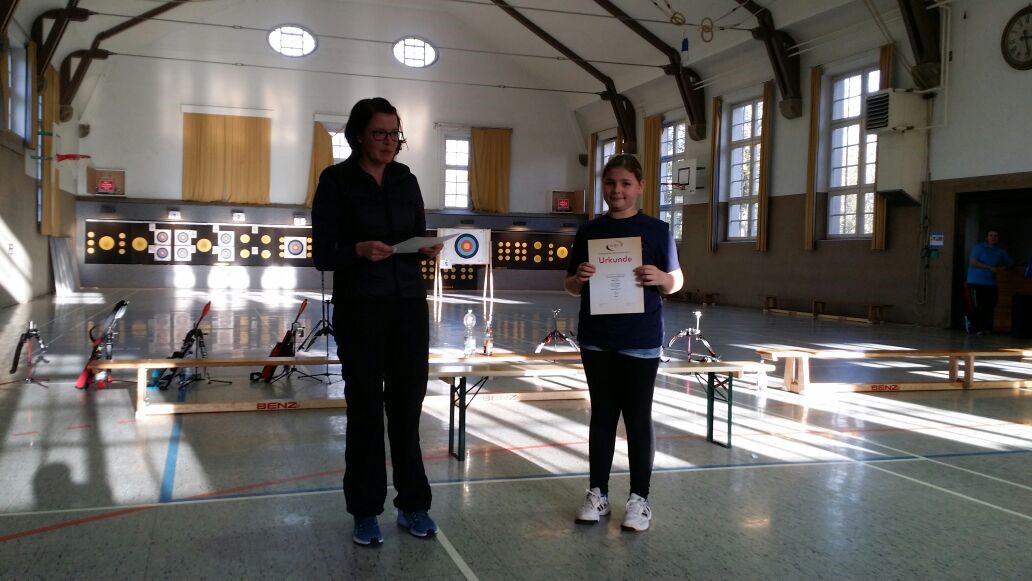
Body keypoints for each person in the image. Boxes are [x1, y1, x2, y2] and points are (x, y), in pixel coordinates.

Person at [312, 97, 443, 547]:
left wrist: (426, 247)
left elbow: (417, 234)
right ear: (358, 136)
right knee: (365, 410)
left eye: (394, 134)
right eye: (380, 134)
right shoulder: (336, 182)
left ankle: (413, 504)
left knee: (407, 409)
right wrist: (358, 251)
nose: (389, 142)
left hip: (408, 308)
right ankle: (365, 511)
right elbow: (322, 254)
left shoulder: (406, 180)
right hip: (361, 310)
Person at [564, 153, 684, 532]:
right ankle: (597, 494)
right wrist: (579, 279)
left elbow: (677, 281)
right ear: (603, 186)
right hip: (597, 337)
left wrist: (661, 278)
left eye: (625, 183)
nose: (617, 190)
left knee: (636, 417)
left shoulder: (657, 230)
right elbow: (569, 285)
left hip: (640, 338)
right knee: (602, 414)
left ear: (640, 187)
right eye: (610, 183)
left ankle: (639, 499)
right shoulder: (588, 231)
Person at [965, 229, 1012, 335]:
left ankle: (981, 326)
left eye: (995, 236)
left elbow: (1010, 263)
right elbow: (973, 262)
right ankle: (973, 325)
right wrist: (989, 267)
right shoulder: (979, 248)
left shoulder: (1000, 251)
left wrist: (1000, 268)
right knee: (978, 305)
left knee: (991, 303)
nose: (993, 238)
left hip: (991, 282)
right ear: (986, 237)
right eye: (991, 235)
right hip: (976, 281)